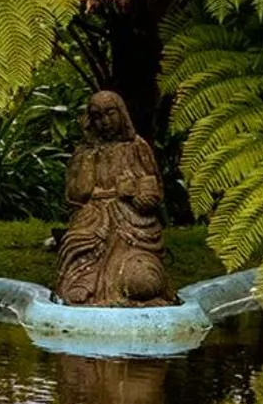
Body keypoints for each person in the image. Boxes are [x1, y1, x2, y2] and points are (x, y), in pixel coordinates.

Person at [54, 91, 175, 307]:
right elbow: (76, 196)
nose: (105, 122)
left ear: (121, 113)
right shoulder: (84, 153)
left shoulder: (136, 147)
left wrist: (134, 193)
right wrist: (89, 155)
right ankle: (88, 281)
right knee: (73, 287)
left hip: (133, 228)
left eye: (110, 113)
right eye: (97, 116)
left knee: (143, 283)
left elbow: (153, 194)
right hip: (93, 221)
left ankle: (125, 283)